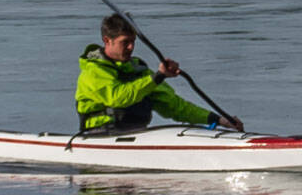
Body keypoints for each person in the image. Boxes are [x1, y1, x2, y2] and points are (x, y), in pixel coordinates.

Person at [77, 13, 240, 135]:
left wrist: (218, 120)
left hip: (137, 135)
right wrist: (158, 77)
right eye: (125, 42)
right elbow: (119, 98)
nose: (130, 48)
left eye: (133, 42)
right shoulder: (93, 71)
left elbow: (175, 107)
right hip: (100, 137)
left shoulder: (139, 71)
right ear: (107, 40)